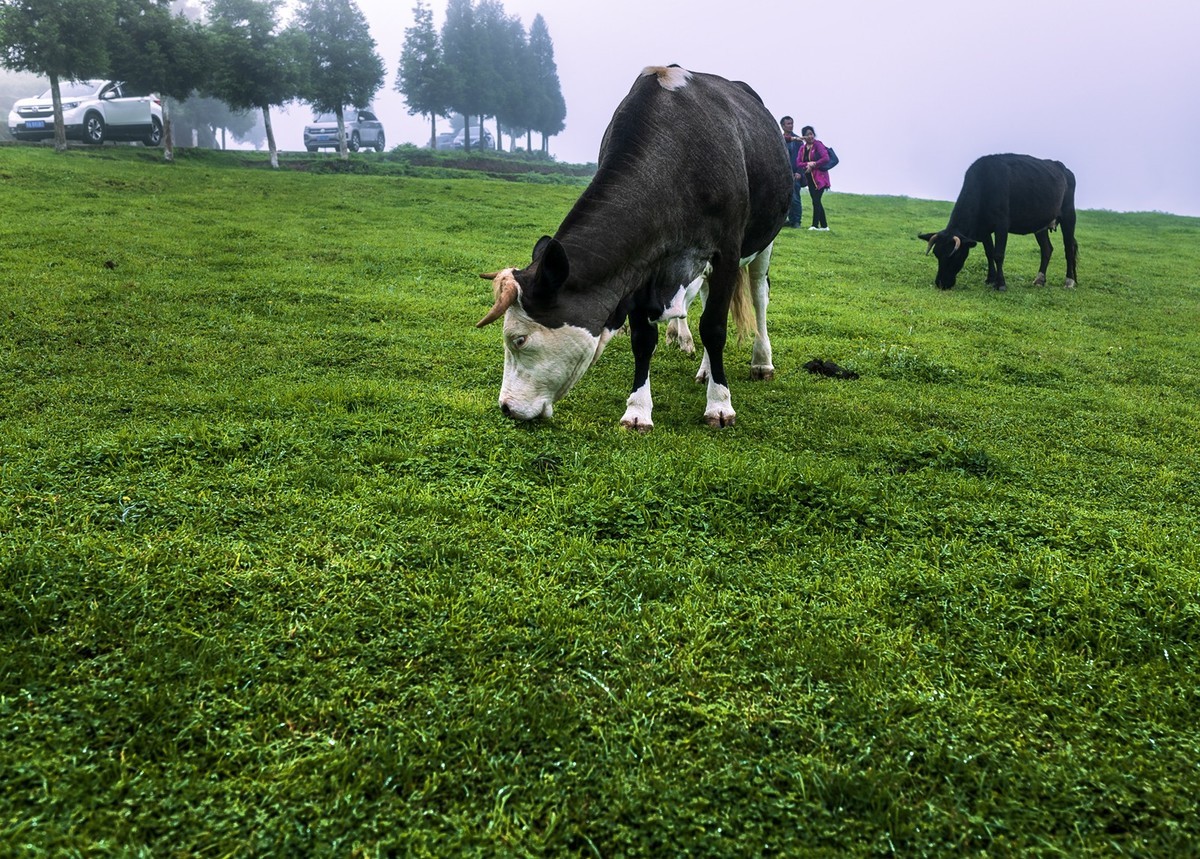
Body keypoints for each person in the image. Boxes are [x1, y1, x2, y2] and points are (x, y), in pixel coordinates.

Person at [798, 125, 831, 230]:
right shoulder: (802, 148)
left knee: (816, 201)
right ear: (804, 136)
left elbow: (825, 158)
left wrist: (814, 164)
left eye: (811, 134)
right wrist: (808, 164)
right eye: (807, 135)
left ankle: (814, 225)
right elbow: (798, 163)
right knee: (816, 201)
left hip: (820, 178)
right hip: (810, 178)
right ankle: (825, 226)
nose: (810, 136)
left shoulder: (818, 145)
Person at [779, 116, 805, 228]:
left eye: (791, 123)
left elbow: (802, 158)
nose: (791, 125)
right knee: (784, 198)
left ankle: (796, 221)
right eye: (788, 124)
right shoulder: (779, 138)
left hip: (795, 174)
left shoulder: (798, 141)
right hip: (783, 174)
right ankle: (788, 219)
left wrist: (799, 172)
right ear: (783, 126)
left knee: (795, 198)